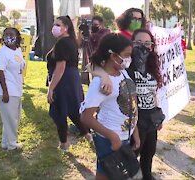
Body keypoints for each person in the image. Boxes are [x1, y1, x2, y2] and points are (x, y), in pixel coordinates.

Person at [92, 29, 164, 180]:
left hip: (149, 119)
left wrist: (157, 112)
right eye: (138, 43)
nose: (143, 47)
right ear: (131, 44)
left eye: (147, 44)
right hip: (129, 120)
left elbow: (153, 92)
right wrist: (104, 75)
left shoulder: (152, 66)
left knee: (149, 153)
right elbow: (94, 67)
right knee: (127, 159)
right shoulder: (124, 66)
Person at [80, 33, 140, 180]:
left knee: (119, 175)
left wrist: (135, 134)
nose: (128, 59)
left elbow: (131, 106)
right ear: (113, 56)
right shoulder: (100, 84)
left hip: (124, 136)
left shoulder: (123, 73)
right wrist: (112, 136)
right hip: (109, 139)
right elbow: (86, 117)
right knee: (107, 173)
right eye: (126, 55)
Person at [47, 15, 91, 151]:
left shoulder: (62, 43)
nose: (54, 27)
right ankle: (87, 135)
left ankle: (64, 143)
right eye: (54, 24)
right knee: (73, 110)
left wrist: (51, 88)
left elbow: (60, 67)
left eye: (58, 25)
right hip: (72, 79)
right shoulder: (70, 41)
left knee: (60, 110)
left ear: (65, 28)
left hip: (63, 80)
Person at [0, 27, 25, 150]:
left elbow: (20, 67)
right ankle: (12, 145)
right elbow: (0, 71)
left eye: (11, 34)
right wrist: (5, 92)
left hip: (16, 90)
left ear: (17, 36)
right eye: (6, 35)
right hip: (7, 91)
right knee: (12, 119)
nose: (9, 37)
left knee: (12, 118)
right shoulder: (2, 52)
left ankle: (6, 143)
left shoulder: (17, 50)